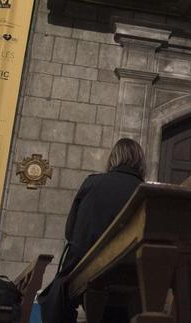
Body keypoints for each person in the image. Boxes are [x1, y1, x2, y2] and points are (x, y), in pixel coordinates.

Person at [38, 138, 146, 323]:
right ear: (141, 162)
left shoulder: (93, 183)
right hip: (135, 272)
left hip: (91, 270)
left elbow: (70, 231)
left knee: (63, 291)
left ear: (113, 158)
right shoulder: (145, 191)